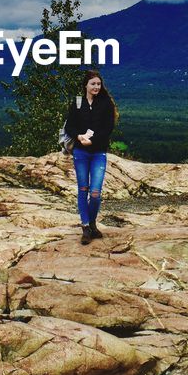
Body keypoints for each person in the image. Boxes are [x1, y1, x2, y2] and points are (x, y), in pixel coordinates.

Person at [63, 69, 117, 244]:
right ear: (85, 85)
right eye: (93, 84)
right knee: (83, 189)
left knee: (95, 192)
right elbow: (69, 126)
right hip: (80, 152)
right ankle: (86, 227)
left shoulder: (106, 103)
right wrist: (78, 137)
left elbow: (108, 129)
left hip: (98, 152)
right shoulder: (77, 102)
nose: (96, 87)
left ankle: (92, 222)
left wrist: (91, 141)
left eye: (98, 84)